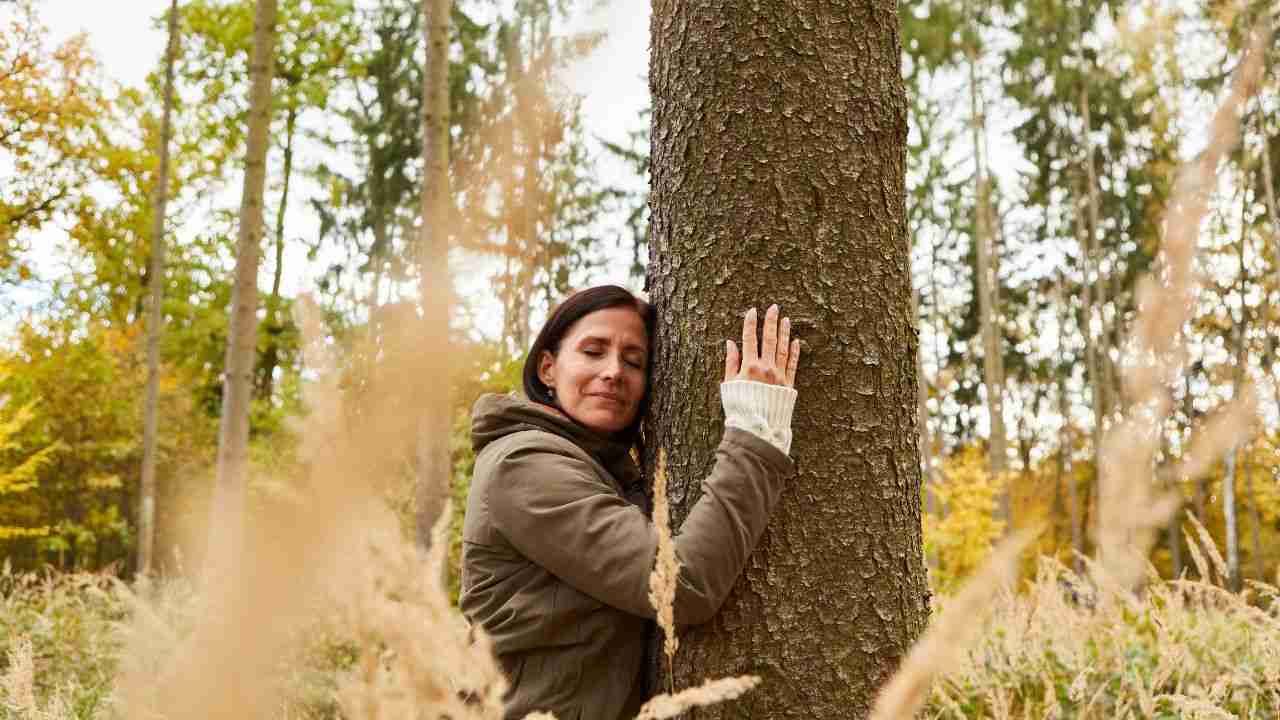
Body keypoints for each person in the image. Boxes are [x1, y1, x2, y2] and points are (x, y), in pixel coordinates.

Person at [460, 285, 801, 720]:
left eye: (633, 361)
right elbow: (680, 587)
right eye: (593, 351)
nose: (614, 371)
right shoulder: (524, 465)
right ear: (548, 368)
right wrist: (756, 432)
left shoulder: (597, 469)